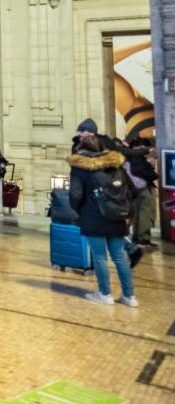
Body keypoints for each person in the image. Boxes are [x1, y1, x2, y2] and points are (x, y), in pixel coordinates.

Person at [68, 119, 139, 307]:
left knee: (99, 257)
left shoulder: (80, 166)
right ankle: (129, 296)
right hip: (117, 215)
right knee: (119, 256)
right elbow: (129, 190)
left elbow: (75, 195)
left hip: (93, 216)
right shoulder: (115, 164)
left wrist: (78, 210)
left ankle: (105, 294)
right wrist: (128, 212)